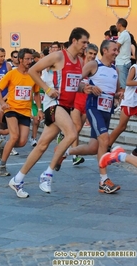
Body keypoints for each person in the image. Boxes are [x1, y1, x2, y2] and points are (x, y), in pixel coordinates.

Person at [8, 27, 89, 198]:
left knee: (42, 145)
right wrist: (46, 88)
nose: (86, 46)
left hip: (66, 105)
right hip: (54, 103)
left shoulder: (79, 62)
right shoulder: (59, 56)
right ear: (74, 40)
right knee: (72, 133)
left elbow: (74, 84)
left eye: (87, 43)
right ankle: (48, 173)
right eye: (84, 42)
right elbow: (32, 70)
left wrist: (85, 88)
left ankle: (18, 179)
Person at [57, 40, 122, 194]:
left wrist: (120, 94)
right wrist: (89, 87)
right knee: (105, 140)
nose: (116, 53)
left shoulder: (115, 69)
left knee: (94, 147)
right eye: (114, 50)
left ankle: (63, 152)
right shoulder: (94, 65)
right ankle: (103, 181)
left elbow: (118, 89)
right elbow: (76, 81)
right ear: (105, 50)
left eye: (117, 50)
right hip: (94, 108)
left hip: (107, 110)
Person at [0, 48, 42, 176]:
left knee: (22, 142)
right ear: (20, 60)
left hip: (25, 111)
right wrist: (2, 104)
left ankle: (3, 144)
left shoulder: (33, 75)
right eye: (27, 59)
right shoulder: (11, 74)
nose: (29, 61)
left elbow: (36, 93)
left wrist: (39, 110)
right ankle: (1, 166)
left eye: (31, 59)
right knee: (14, 136)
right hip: (11, 109)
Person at [60, 43, 98, 168]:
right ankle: (74, 156)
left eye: (94, 54)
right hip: (76, 100)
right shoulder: (80, 63)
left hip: (86, 102)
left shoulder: (95, 67)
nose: (92, 56)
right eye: (90, 53)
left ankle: (64, 137)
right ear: (86, 52)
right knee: (75, 128)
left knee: (78, 129)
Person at [115, 18, 131, 91]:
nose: (116, 26)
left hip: (122, 62)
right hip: (125, 62)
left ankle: (123, 101)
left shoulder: (123, 34)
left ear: (120, 25)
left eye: (116, 24)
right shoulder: (126, 34)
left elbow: (116, 47)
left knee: (122, 86)